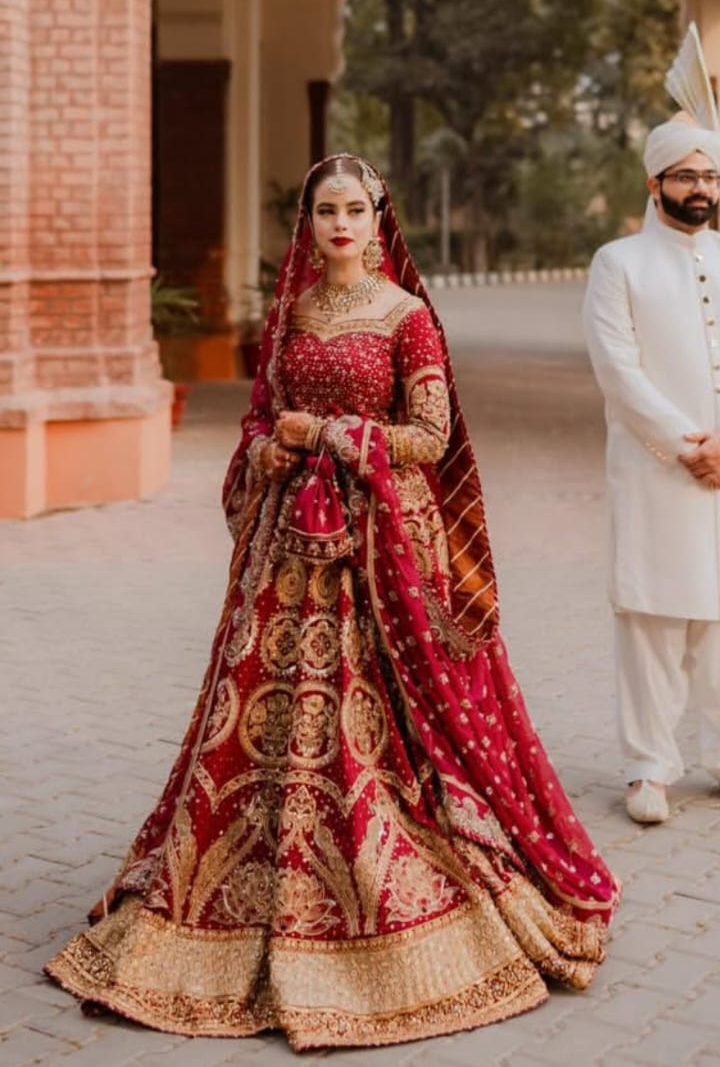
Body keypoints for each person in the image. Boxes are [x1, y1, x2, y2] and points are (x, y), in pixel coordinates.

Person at [46, 154, 617, 1049]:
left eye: (354, 210)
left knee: (373, 722)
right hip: (287, 553)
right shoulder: (295, 313)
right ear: (307, 224)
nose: (340, 225)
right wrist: (271, 450)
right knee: (262, 718)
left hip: (380, 550)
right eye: (325, 212)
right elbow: (262, 413)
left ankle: (380, 889)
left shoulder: (408, 318)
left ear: (379, 217)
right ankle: (252, 889)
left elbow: (430, 437)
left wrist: (339, 438)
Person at [584, 109, 720, 826]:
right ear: (654, 181)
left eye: (709, 175)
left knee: (719, 619)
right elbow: (617, 369)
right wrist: (687, 443)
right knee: (653, 617)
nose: (700, 188)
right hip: (653, 467)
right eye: (686, 175)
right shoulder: (619, 262)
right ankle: (648, 767)